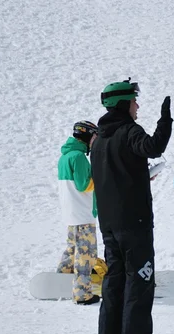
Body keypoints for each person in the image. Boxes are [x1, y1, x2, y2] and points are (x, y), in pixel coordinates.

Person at [91, 78, 172, 334]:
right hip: (133, 221)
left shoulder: (99, 138)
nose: (138, 105)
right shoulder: (128, 130)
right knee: (140, 277)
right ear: (124, 103)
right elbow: (152, 147)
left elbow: (116, 176)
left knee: (114, 279)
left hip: (109, 223)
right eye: (134, 100)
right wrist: (165, 122)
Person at [56, 120, 100, 305]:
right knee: (86, 254)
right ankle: (82, 294)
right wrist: (101, 178)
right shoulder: (79, 157)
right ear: (88, 135)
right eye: (95, 137)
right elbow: (85, 184)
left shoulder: (65, 156)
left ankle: (61, 278)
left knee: (72, 248)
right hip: (83, 213)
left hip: (71, 212)